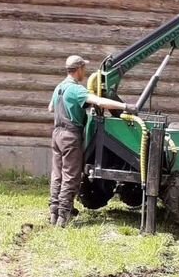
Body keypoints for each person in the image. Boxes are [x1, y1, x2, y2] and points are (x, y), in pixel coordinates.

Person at [49, 55, 137, 227]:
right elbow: (98, 100)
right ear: (79, 69)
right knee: (71, 176)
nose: (85, 72)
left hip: (57, 134)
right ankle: (63, 216)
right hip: (70, 136)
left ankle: (54, 212)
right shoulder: (75, 89)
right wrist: (126, 107)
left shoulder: (59, 87)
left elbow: (51, 107)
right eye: (84, 69)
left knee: (57, 174)